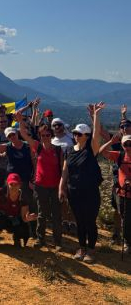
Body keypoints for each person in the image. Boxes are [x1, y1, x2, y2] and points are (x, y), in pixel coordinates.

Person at [59, 103, 105, 263]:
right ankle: (82, 248)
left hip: (90, 193)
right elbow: (65, 171)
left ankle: (91, 249)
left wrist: (96, 115)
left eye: (79, 134)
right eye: (74, 133)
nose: (76, 136)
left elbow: (96, 133)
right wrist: (61, 188)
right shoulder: (70, 151)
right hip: (74, 192)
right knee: (79, 221)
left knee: (90, 221)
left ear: (86, 135)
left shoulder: (91, 149)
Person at [17, 119, 63, 250]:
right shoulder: (37, 146)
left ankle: (58, 242)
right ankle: (40, 239)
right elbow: (23, 134)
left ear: (51, 135)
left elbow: (62, 169)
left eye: (48, 135)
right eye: (43, 135)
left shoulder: (58, 150)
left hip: (55, 186)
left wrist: (62, 186)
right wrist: (20, 120)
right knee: (41, 214)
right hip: (40, 186)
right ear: (40, 136)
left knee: (56, 215)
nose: (45, 137)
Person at [0, 173, 37, 252]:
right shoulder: (2, 192)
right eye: (11, 184)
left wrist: (27, 218)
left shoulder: (23, 196)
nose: (13, 187)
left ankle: (17, 239)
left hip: (14, 220)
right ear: (7, 184)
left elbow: (24, 217)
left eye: (16, 184)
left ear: (20, 185)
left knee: (23, 225)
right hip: (2, 218)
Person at [100, 133, 131, 254]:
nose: (128, 146)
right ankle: (127, 242)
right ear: (122, 145)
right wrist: (111, 142)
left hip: (125, 193)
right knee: (125, 219)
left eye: (130, 144)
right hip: (123, 193)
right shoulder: (119, 155)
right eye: (125, 144)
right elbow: (102, 151)